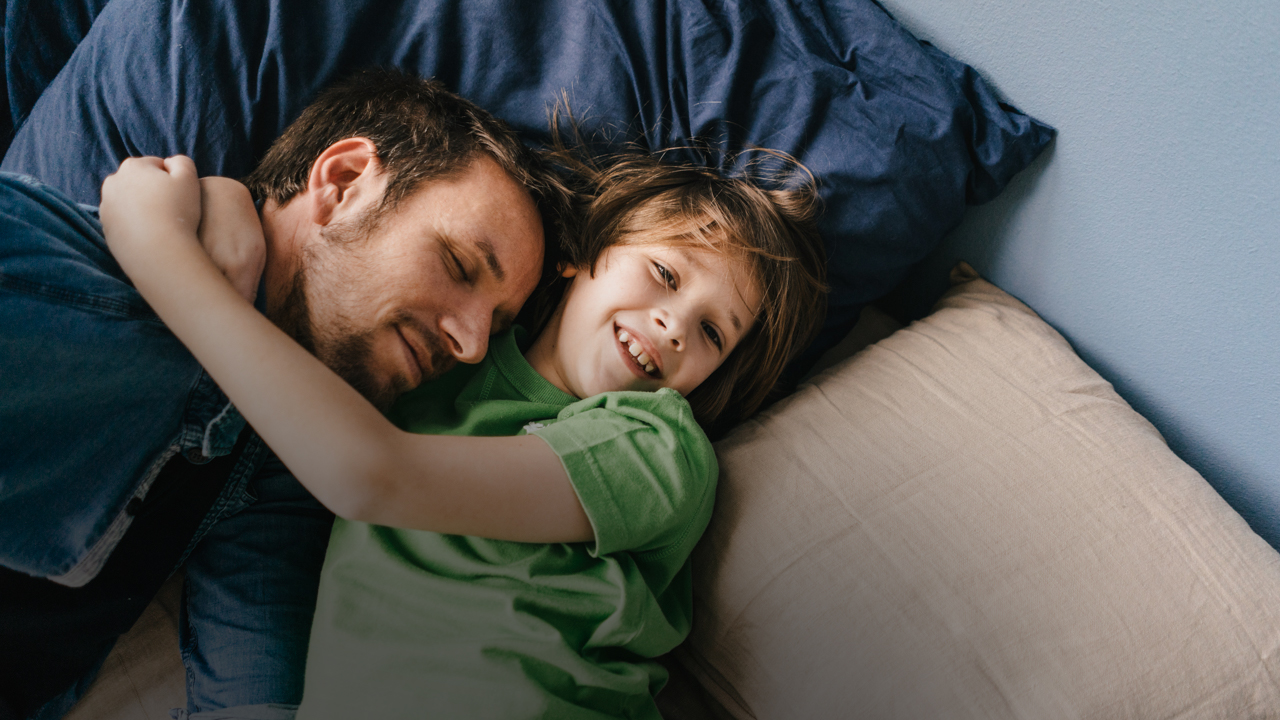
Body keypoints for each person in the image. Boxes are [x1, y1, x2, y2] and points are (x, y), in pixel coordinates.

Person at [97, 142, 827, 717]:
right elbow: (300, 345)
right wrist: (230, 203)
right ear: (580, 256)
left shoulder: (660, 447)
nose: (673, 326)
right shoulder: (432, 368)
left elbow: (372, 475)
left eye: (711, 333)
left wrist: (161, 249)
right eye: (665, 274)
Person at [0, 68, 572, 720]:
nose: (470, 346)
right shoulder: (56, 270)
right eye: (459, 265)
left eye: (494, 328)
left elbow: (254, 680)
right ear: (342, 184)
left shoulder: (270, 473)